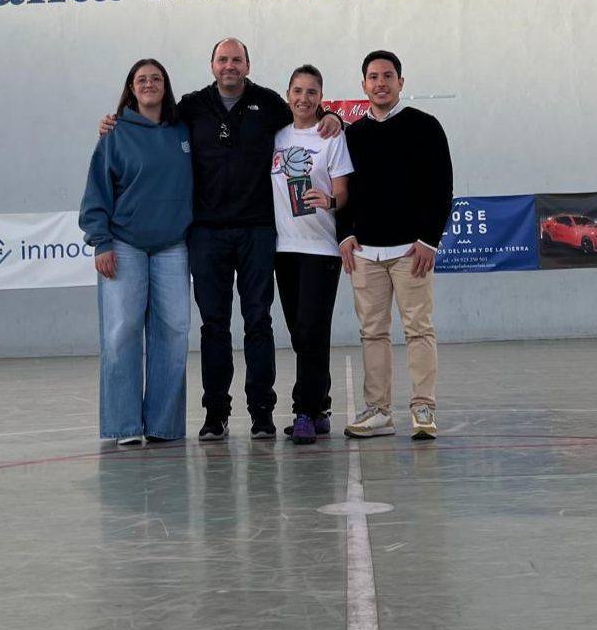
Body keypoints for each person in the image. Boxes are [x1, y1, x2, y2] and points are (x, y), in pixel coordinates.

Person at [100, 38, 341, 442]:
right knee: (214, 326)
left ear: (247, 65)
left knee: (258, 323)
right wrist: (114, 123)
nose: (229, 66)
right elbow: (150, 120)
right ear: (212, 65)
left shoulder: (270, 105)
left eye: (237, 60)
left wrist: (332, 114)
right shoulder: (191, 107)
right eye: (222, 59)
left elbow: (307, 117)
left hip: (258, 232)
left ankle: (262, 414)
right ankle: (216, 415)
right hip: (207, 234)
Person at [338, 50, 453, 441]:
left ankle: (423, 407)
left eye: (388, 76)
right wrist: (345, 233)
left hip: (411, 253)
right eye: (373, 76)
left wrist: (428, 240)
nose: (381, 83)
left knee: (418, 329)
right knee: (372, 333)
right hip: (366, 255)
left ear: (400, 82)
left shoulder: (425, 126)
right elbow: (342, 190)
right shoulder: (352, 135)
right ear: (364, 85)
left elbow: (441, 187)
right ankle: (379, 411)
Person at [80, 58, 193, 447]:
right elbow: (97, 191)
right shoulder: (114, 133)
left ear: (166, 85)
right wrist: (101, 242)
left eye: (156, 78)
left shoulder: (184, 129)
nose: (149, 84)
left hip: (172, 247)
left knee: (174, 333)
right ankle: (124, 426)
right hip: (124, 245)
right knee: (121, 333)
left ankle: (163, 425)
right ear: (131, 87)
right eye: (141, 79)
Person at [271, 65, 353, 445]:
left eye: (312, 92)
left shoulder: (330, 136)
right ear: (288, 94)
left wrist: (330, 200)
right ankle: (319, 406)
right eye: (298, 91)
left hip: (320, 249)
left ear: (322, 97)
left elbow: (343, 193)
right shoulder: (276, 135)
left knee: (312, 331)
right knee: (301, 335)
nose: (304, 98)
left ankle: (303, 412)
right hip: (284, 250)